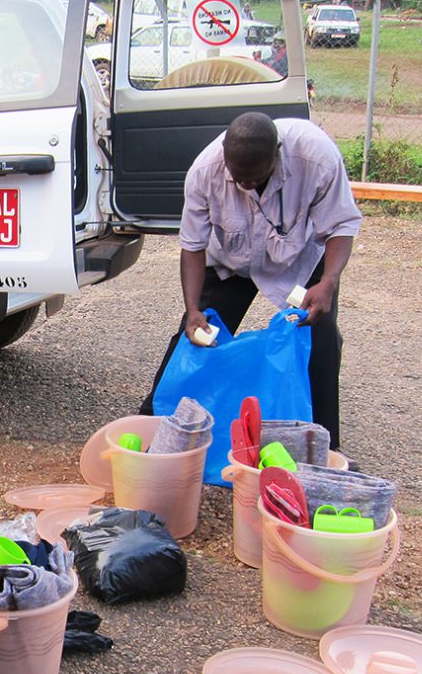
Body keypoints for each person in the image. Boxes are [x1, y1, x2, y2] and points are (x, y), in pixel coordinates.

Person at [139, 112, 362, 451]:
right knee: (197, 334)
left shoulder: (315, 156)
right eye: (237, 176)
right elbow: (193, 246)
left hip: (298, 264)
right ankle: (152, 426)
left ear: (277, 153)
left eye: (254, 177)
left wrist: (329, 281)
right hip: (233, 260)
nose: (244, 184)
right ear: (225, 154)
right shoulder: (204, 171)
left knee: (319, 340)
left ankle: (324, 449)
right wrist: (193, 308)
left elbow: (342, 226)